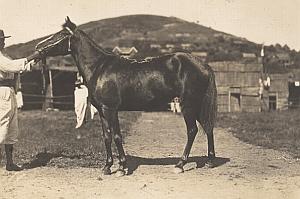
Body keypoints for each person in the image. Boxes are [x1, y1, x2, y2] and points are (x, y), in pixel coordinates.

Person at [0, 29, 39, 171]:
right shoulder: (1, 58)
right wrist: (32, 55)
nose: (3, 42)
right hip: (1, 92)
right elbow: (11, 66)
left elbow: (19, 68)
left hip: (9, 92)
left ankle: (9, 163)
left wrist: (35, 59)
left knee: (11, 129)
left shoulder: (6, 56)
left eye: (3, 39)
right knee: (2, 127)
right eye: (0, 39)